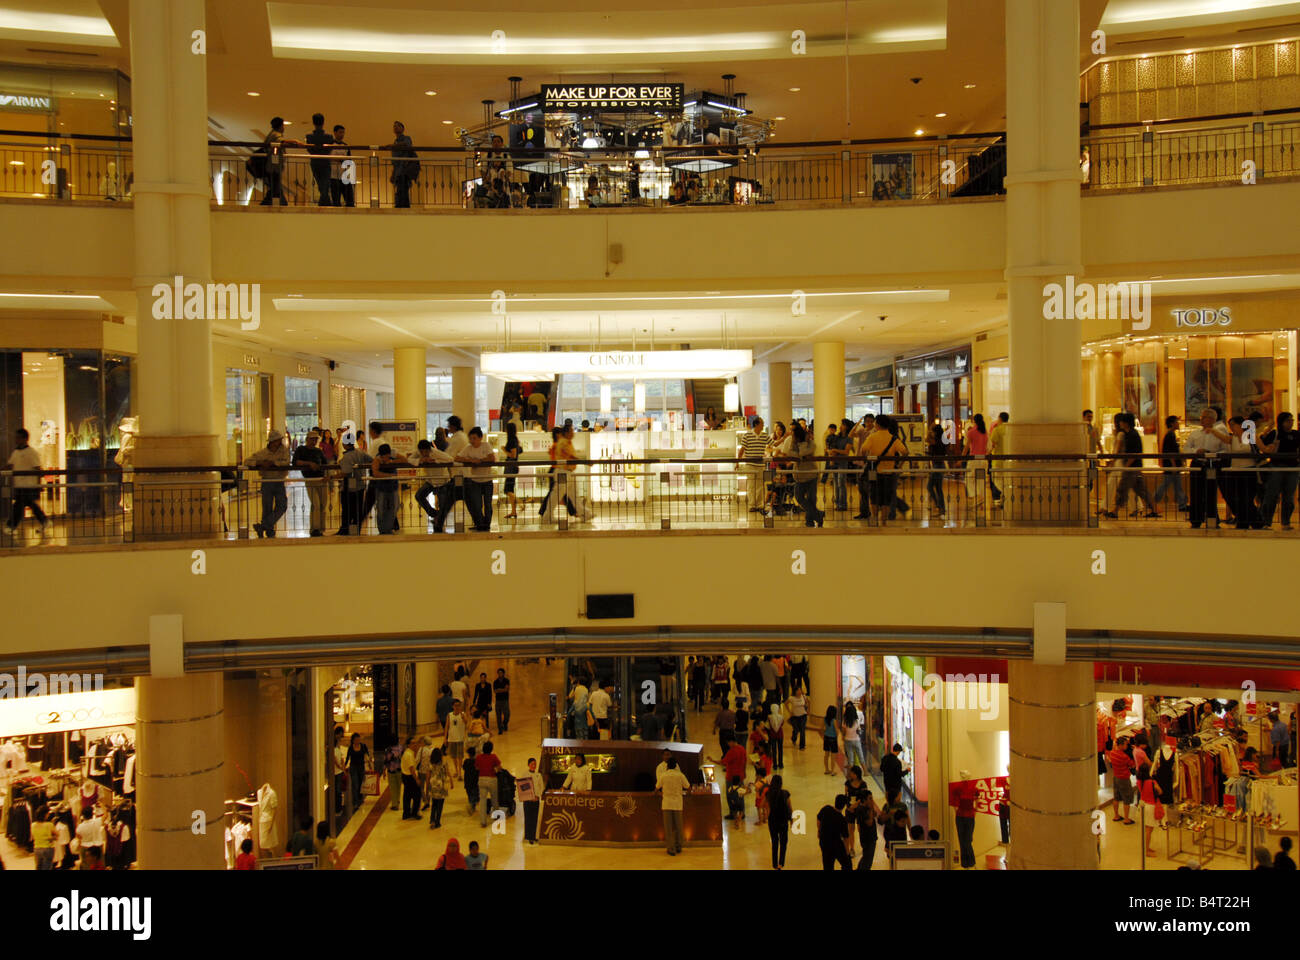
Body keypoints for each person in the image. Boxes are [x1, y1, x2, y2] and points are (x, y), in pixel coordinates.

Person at [1183, 406, 1230, 528]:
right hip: (1197, 464)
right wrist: (1196, 450)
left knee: (1210, 493)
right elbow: (1185, 448)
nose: (1202, 420)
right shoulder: (1195, 433)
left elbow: (1226, 450)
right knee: (1195, 493)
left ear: (1212, 419)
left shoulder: (1219, 433)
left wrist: (1211, 453)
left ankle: (1212, 520)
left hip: (1211, 465)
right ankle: (1196, 520)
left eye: (1205, 417)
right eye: (1202, 417)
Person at [244, 428, 291, 537]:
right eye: (278, 440)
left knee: (282, 506)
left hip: (279, 481)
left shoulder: (284, 451)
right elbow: (247, 461)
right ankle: (269, 531)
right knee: (267, 508)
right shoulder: (263, 453)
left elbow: (286, 462)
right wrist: (260, 462)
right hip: (267, 482)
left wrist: (273, 463)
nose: (279, 442)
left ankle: (263, 526)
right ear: (272, 441)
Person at [4, 428, 47, 537]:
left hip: (28, 485)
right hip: (19, 484)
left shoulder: (32, 453)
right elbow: (10, 465)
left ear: (25, 439)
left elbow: (38, 468)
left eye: (18, 438)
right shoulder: (16, 452)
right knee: (29, 504)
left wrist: (39, 481)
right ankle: (44, 521)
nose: (16, 440)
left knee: (18, 505)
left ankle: (11, 526)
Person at [1259, 412, 1299, 529]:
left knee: (1289, 497)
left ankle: (1286, 522)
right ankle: (1266, 522)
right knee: (1271, 495)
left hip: (1292, 467)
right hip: (1276, 467)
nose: (1290, 423)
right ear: (1281, 422)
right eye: (1288, 420)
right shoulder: (1275, 433)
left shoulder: (1296, 434)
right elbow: (1262, 443)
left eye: (1292, 420)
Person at [782, 423, 824, 527]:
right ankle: (818, 515)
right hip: (799, 476)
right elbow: (789, 452)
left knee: (811, 499)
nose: (792, 436)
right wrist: (799, 456)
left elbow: (803, 452)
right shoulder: (793, 442)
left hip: (811, 476)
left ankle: (809, 521)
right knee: (799, 497)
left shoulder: (811, 444)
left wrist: (802, 444)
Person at [455, 427, 497, 531]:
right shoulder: (468, 448)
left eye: (474, 438)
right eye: (471, 439)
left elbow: (492, 458)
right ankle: (480, 525)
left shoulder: (486, 445)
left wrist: (479, 461)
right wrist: (470, 460)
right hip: (475, 481)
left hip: (487, 481)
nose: (472, 441)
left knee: (488, 505)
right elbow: (457, 457)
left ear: (480, 438)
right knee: (477, 505)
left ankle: (486, 525)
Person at [335, 434, 372, 535]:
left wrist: (331, 477)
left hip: (349, 488)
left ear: (344, 444)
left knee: (347, 510)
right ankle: (356, 531)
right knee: (357, 509)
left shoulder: (347, 457)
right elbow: (371, 460)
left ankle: (345, 530)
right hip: (360, 486)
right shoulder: (360, 452)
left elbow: (346, 473)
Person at [844, 766, 880, 870]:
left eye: (852, 773)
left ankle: (863, 844)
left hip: (858, 808)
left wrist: (855, 805)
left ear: (856, 774)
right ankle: (852, 848)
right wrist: (849, 807)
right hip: (850, 809)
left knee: (860, 828)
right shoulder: (847, 783)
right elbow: (846, 795)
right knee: (850, 829)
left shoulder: (863, 784)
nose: (850, 774)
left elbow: (864, 798)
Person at [259, 116, 300, 205]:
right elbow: (281, 142)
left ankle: (278, 202)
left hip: (272, 165)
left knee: (274, 187)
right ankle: (279, 203)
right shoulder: (275, 135)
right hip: (273, 166)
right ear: (280, 126)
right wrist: (294, 141)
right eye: (283, 125)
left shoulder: (272, 134)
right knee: (275, 186)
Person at [1152, 415, 1188, 512]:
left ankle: (1182, 504)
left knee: (1173, 484)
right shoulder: (1170, 435)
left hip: (1170, 465)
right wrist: (1174, 466)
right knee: (1167, 484)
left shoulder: (1170, 435)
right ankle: (1153, 500)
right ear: (1172, 423)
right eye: (1177, 422)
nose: (1178, 424)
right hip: (1171, 466)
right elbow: (1170, 452)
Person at [656, 756, 690, 856]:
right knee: (679, 827)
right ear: (676, 766)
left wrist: (660, 794)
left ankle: (671, 849)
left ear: (667, 766)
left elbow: (656, 789)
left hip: (666, 804)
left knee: (669, 828)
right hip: (678, 804)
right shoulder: (680, 775)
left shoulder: (663, 775)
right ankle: (679, 846)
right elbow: (688, 788)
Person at [304, 113, 335, 206]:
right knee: (325, 183)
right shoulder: (329, 137)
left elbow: (309, 149)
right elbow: (330, 148)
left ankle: (324, 201)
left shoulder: (309, 137)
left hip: (315, 161)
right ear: (323, 122)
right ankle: (325, 201)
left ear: (313, 123)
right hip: (325, 161)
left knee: (320, 183)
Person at [386, 120, 418, 208]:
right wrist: (393, 173)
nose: (395, 127)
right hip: (398, 170)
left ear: (403, 129)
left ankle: (403, 206)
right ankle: (399, 205)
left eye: (398, 126)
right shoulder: (395, 141)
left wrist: (393, 146)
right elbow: (395, 161)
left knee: (403, 189)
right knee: (399, 189)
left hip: (404, 169)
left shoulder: (406, 138)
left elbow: (407, 144)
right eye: (394, 126)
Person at [817, 794, 852, 870]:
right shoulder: (842, 820)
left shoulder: (826, 809)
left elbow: (818, 818)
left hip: (824, 843)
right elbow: (846, 838)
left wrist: (819, 831)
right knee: (847, 865)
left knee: (828, 866)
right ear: (843, 806)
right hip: (836, 845)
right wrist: (847, 853)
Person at [953, 769, 978, 868]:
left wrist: (974, 812)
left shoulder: (974, 788)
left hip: (969, 816)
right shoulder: (958, 788)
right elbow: (954, 802)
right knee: (962, 840)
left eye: (965, 775)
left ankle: (970, 863)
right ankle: (967, 864)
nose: (963, 777)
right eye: (962, 775)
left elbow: (977, 801)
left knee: (967, 840)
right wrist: (957, 811)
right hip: (961, 816)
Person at [962, 413, 990, 504]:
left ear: (974, 421)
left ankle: (975, 495)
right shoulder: (985, 432)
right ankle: (981, 498)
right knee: (981, 480)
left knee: (969, 478)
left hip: (974, 460)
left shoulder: (971, 432)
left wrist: (961, 458)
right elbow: (989, 447)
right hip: (983, 460)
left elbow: (966, 447)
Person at [1108, 735, 1136, 824]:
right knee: (1126, 798)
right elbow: (1132, 765)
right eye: (1125, 744)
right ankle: (1126, 818)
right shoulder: (1124, 756)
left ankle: (1116, 815)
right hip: (1124, 778)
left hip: (1116, 777)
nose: (1126, 746)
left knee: (1116, 797)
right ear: (1121, 745)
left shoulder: (1112, 753)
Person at [924, 423, 948, 519]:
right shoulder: (942, 441)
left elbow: (927, 441)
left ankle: (939, 506)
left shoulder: (935, 442)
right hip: (940, 465)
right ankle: (941, 509)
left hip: (937, 466)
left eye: (933, 431)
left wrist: (929, 433)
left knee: (930, 486)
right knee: (938, 489)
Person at [475, 741, 501, 827]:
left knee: (482, 801)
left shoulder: (478, 757)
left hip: (481, 779)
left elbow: (476, 767)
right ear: (491, 749)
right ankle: (496, 816)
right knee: (494, 798)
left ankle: (483, 821)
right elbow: (499, 767)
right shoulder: (493, 757)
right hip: (492, 779)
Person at [328, 124, 354, 206]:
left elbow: (349, 160)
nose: (342, 134)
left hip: (344, 175)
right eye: (340, 132)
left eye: (343, 132)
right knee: (336, 197)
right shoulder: (329, 145)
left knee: (349, 197)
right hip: (333, 175)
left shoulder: (346, 146)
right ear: (335, 133)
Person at [987, 411, 1009, 503]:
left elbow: (992, 444)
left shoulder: (997, 430)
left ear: (1000, 418)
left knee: (997, 479)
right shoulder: (1010, 429)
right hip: (1008, 461)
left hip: (998, 460)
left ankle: (1005, 494)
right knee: (1007, 480)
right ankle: (1005, 496)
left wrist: (988, 453)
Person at [426, 747, 450, 828]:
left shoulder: (430, 764)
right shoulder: (444, 763)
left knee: (434, 804)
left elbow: (428, 776)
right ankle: (437, 822)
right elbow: (447, 773)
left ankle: (432, 820)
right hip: (441, 785)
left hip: (433, 784)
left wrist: (427, 787)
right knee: (440, 805)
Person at [522, 758, 544, 844]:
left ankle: (534, 836)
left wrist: (538, 796)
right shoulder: (525, 775)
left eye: (535, 764)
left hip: (536, 800)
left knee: (535, 818)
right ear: (528, 765)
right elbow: (523, 787)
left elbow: (541, 787)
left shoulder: (539, 775)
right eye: (532, 764)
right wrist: (530, 797)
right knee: (528, 818)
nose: (533, 765)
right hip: (528, 801)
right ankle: (529, 836)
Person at [443, 700, 466, 782]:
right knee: (453, 756)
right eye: (455, 705)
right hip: (451, 739)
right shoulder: (449, 715)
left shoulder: (463, 714)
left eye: (458, 705)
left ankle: (460, 772)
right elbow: (447, 726)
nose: (457, 707)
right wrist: (445, 738)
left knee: (460, 756)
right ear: (453, 706)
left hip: (460, 738)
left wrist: (463, 717)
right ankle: (456, 770)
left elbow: (466, 723)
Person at [398, 736, 420, 820]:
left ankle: (406, 813)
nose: (415, 745)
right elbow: (411, 769)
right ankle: (414, 813)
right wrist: (417, 779)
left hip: (405, 776)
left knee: (407, 795)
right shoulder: (409, 754)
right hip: (410, 777)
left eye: (415, 743)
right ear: (408, 745)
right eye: (413, 743)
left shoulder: (407, 752)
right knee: (416, 795)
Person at [347, 732, 369, 812]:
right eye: (356, 739)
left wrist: (369, 764)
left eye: (358, 739)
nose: (357, 741)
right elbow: (348, 757)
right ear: (353, 740)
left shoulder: (363, 746)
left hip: (361, 767)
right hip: (353, 767)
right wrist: (345, 766)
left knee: (360, 783)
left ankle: (360, 799)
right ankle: (355, 802)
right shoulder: (351, 747)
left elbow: (367, 755)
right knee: (355, 784)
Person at [840, 701, 865, 771]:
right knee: (860, 756)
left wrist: (843, 736)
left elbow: (844, 731)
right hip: (856, 740)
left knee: (850, 759)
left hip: (847, 740)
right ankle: (865, 771)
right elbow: (859, 730)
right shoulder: (856, 721)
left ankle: (851, 773)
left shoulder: (845, 721)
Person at [568, 674, 590, 740]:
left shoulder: (576, 688)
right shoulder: (586, 689)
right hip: (584, 709)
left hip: (576, 708)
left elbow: (570, 696)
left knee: (569, 715)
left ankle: (569, 731)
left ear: (578, 682)